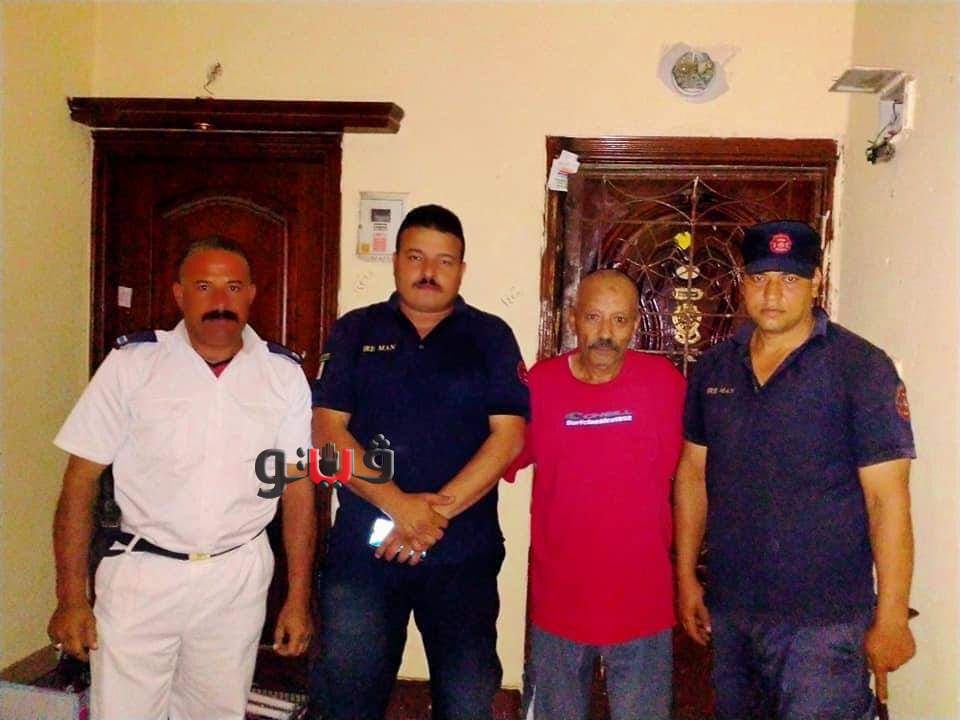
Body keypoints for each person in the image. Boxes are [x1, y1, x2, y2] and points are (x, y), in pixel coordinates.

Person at [48, 237, 315, 720]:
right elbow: (79, 480)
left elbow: (297, 489)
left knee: (216, 712)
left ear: (252, 294)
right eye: (204, 286)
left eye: (233, 287)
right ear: (179, 294)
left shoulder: (283, 374)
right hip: (143, 573)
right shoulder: (132, 365)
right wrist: (70, 597)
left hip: (236, 576)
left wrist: (298, 597)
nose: (220, 301)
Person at [674, 220, 917, 720]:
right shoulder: (715, 368)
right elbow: (693, 475)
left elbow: (887, 500)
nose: (772, 294)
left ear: (815, 283)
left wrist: (892, 614)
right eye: (760, 278)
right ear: (743, 282)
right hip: (733, 610)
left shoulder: (861, 368)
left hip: (823, 624)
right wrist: (686, 576)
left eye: (789, 279)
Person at [309, 204, 528, 720]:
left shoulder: (491, 336)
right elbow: (327, 433)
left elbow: (509, 438)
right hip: (365, 556)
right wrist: (399, 507)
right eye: (415, 257)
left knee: (467, 704)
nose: (429, 271)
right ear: (395, 261)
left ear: (462, 270)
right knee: (347, 702)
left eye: (444, 261)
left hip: (463, 556)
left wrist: (430, 517)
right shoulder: (355, 330)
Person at [504, 269, 685, 720]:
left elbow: (694, 476)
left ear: (635, 325)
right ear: (573, 318)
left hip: (642, 603)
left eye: (620, 320)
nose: (606, 333)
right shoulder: (541, 385)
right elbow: (498, 456)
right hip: (559, 603)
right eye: (593, 317)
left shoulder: (665, 384)